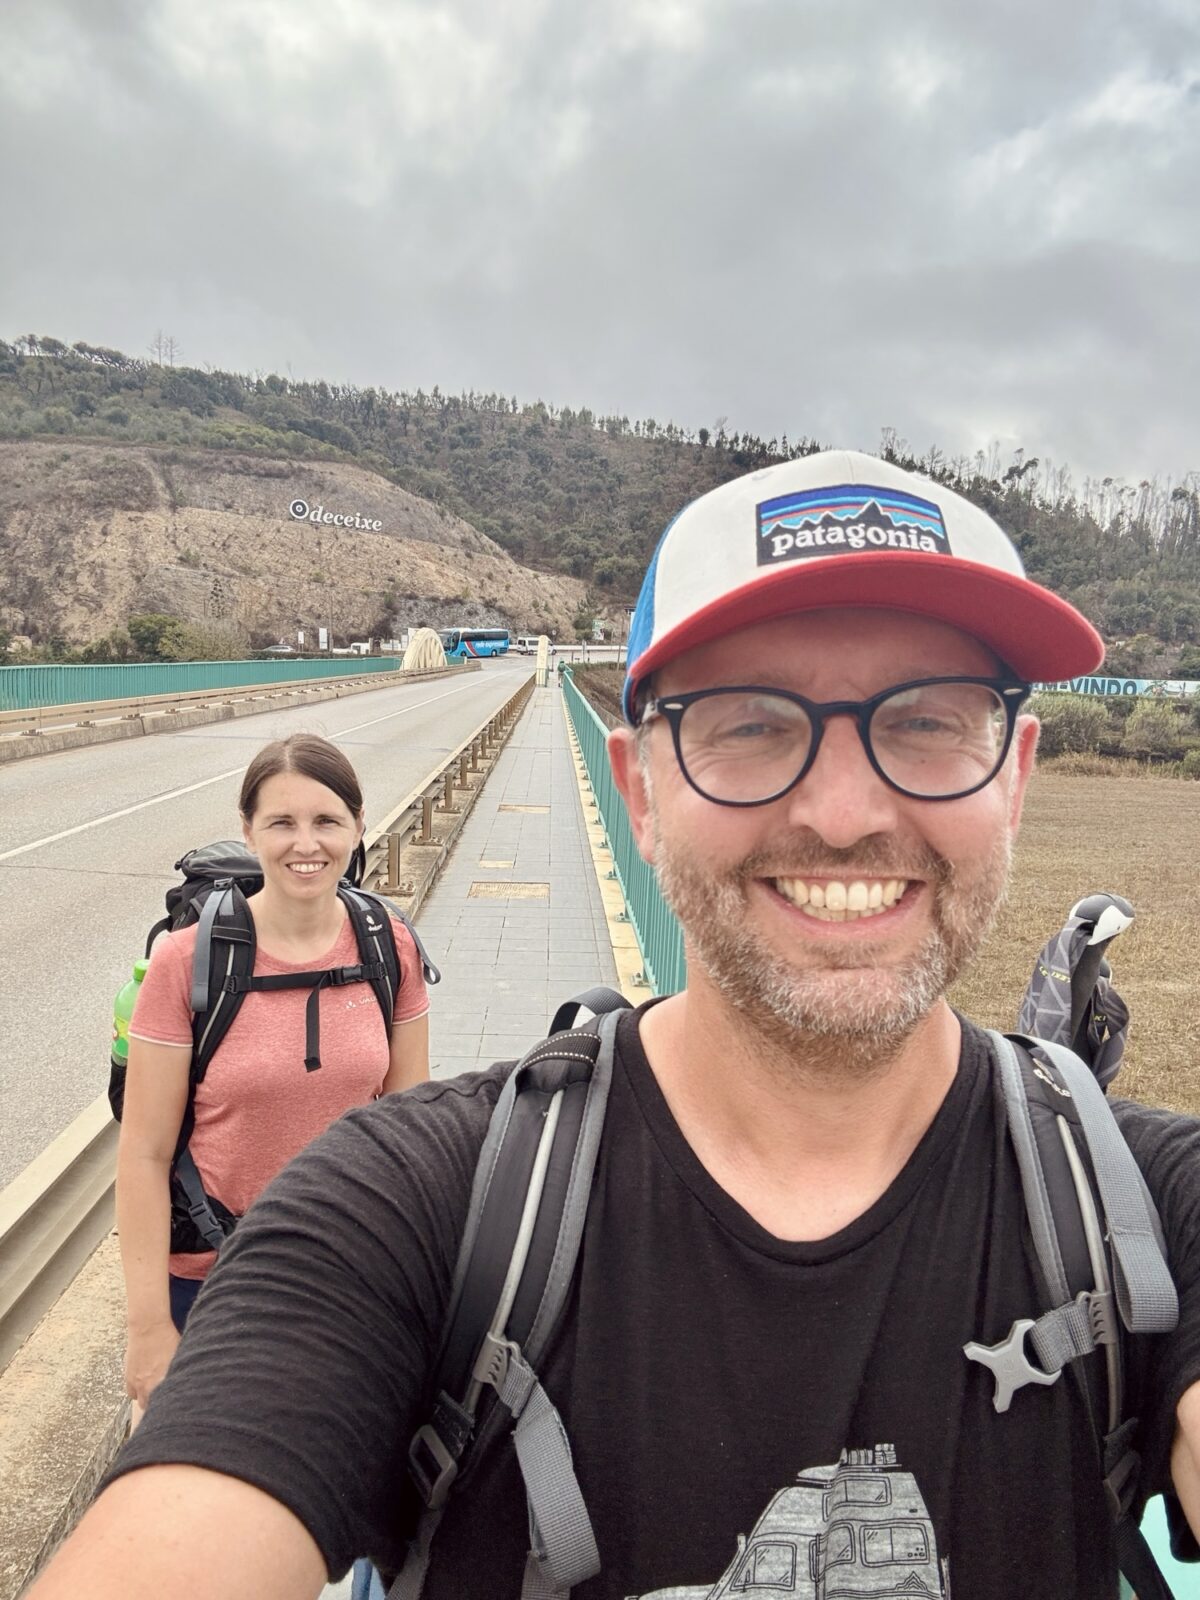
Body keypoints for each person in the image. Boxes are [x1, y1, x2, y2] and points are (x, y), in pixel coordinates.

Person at [29, 453, 1200, 1599]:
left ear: (1016, 776)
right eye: (750, 725)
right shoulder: (411, 1213)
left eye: (931, 722)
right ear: (638, 791)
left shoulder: (1142, 1217)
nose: (845, 815)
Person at [116, 732, 431, 1408]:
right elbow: (142, 1153)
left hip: (351, 1274)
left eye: (326, 821)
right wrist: (148, 1329)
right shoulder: (186, 961)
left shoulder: (389, 946)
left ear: (357, 826)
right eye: (282, 822)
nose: (306, 844)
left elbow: (413, 1134)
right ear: (249, 831)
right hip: (210, 1281)